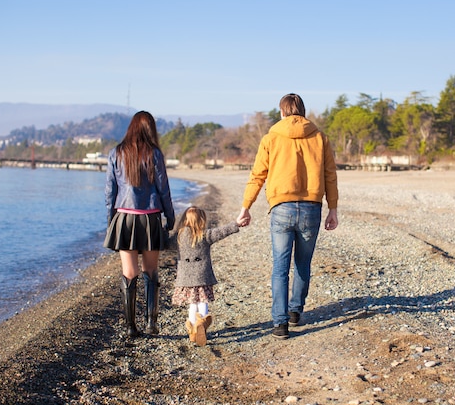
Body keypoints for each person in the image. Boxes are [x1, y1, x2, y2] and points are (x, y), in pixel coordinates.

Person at [237, 93, 339, 340]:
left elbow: (257, 175)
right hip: (311, 209)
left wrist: (246, 206)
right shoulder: (319, 137)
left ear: (282, 113)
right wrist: (333, 208)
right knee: (302, 264)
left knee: (279, 268)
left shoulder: (271, 138)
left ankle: (280, 324)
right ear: (303, 112)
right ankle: (295, 311)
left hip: (281, 208)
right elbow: (330, 174)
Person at [104, 110, 175, 338]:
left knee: (129, 272)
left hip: (124, 217)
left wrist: (110, 220)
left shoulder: (116, 153)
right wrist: (170, 216)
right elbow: (164, 189)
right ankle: (151, 324)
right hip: (151, 217)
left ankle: (130, 327)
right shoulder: (154, 154)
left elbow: (110, 191)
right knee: (151, 271)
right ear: (150, 129)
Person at [171, 206, 244, 346]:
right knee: (203, 302)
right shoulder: (204, 234)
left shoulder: (178, 236)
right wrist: (236, 224)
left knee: (193, 304)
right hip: (202, 277)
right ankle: (202, 324)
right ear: (201, 220)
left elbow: (165, 243)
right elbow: (222, 231)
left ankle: (193, 332)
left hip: (186, 279)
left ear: (185, 220)